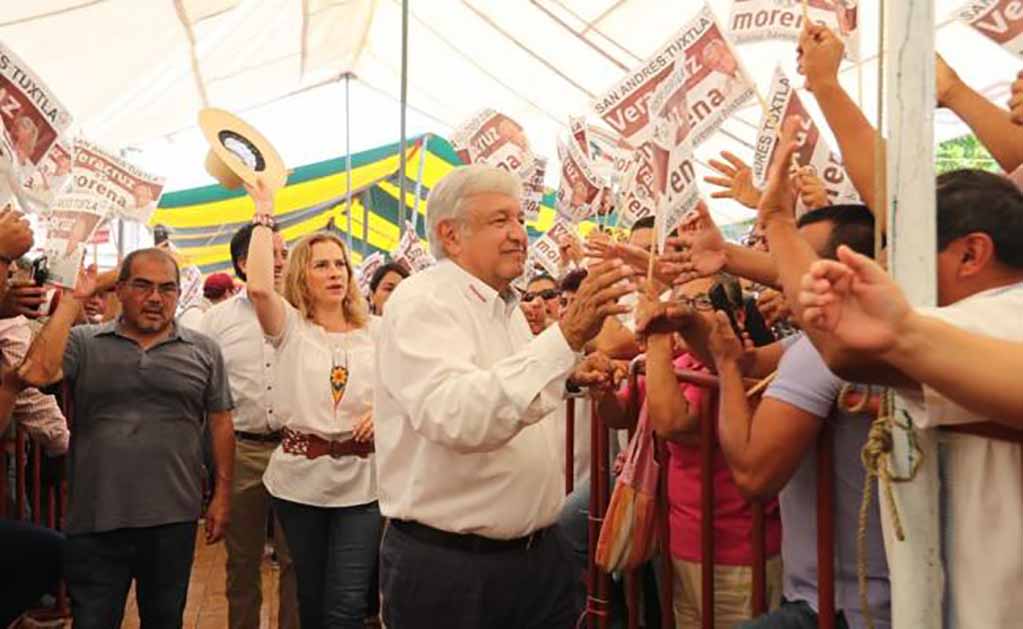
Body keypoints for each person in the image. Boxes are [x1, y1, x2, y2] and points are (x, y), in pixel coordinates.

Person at [374, 165, 633, 628]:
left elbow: (502, 387)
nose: (519, 234)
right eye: (500, 221)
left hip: (534, 561)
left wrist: (569, 376)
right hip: (453, 572)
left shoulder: (503, 305)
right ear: (450, 236)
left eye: (519, 220)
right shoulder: (422, 302)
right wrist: (566, 337)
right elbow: (458, 415)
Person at [800, 170, 1023, 629]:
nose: (887, 267)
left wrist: (902, 332)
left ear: (971, 253)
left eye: (903, 249)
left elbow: (845, 351)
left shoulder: (994, 316)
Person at [18, 250, 236, 629]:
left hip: (172, 518)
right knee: (93, 621)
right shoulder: (85, 343)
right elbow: (36, 372)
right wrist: (73, 300)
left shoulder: (203, 351)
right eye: (143, 286)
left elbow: (220, 423)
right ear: (119, 290)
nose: (156, 298)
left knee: (165, 620)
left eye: (167, 289)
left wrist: (222, 494)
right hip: (96, 518)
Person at [604, 279, 783, 628]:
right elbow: (623, 413)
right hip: (679, 545)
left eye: (699, 302)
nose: (681, 313)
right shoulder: (678, 361)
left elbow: (675, 424)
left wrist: (655, 338)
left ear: (736, 313)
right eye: (679, 302)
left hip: (737, 555)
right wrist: (602, 391)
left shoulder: (739, 371)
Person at [244, 181, 380, 629]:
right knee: (311, 597)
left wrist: (384, 412)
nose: (335, 272)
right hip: (300, 481)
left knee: (348, 601)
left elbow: (407, 389)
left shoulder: (376, 331)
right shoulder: (291, 328)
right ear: (303, 274)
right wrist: (264, 212)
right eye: (321, 265)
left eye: (340, 263)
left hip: (364, 484)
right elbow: (261, 289)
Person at [200, 222, 298, 629]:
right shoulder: (215, 322)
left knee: (297, 561)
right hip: (241, 450)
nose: (279, 261)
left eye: (283, 253)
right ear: (244, 262)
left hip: (298, 450)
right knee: (242, 562)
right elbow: (205, 393)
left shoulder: (303, 313)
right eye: (270, 253)